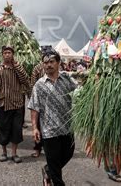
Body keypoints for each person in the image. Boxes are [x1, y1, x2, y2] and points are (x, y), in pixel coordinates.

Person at [28, 49, 78, 186]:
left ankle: (48, 171)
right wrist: (34, 128)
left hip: (67, 127)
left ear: (58, 63)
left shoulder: (67, 78)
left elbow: (80, 91)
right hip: (49, 131)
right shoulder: (39, 85)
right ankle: (54, 177)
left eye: (51, 62)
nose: (48, 65)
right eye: (45, 62)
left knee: (68, 154)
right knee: (55, 163)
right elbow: (34, 107)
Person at [0, 45, 29, 163]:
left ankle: (14, 153)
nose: (7, 55)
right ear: (2, 55)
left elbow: (26, 81)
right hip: (3, 105)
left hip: (17, 104)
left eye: (9, 53)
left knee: (16, 129)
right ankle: (4, 152)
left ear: (13, 54)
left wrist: (17, 66)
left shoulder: (18, 68)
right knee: (3, 129)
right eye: (5, 52)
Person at [29, 60, 45, 158]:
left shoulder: (56, 67)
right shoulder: (37, 68)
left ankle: (49, 149)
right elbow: (32, 83)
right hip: (39, 100)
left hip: (51, 102)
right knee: (38, 126)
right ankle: (37, 149)